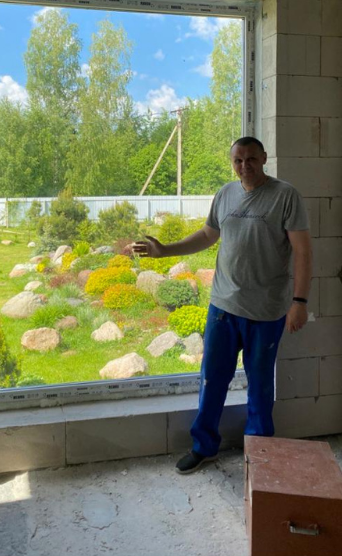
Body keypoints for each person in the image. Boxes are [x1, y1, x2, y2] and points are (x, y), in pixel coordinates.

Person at [133, 136, 312, 475]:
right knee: (212, 379)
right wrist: (164, 250)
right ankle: (204, 446)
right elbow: (207, 235)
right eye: (238, 160)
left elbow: (303, 251)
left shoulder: (285, 195)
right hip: (223, 307)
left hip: (266, 311)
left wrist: (299, 302)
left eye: (251, 159)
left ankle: (260, 452)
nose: (245, 166)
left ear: (264, 158)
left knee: (260, 386)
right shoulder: (225, 194)